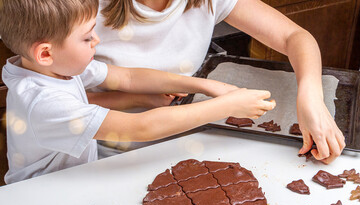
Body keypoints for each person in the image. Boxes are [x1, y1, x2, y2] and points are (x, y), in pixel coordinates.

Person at [0, 0, 275, 184]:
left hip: (78, 179)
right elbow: (142, 126)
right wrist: (227, 106)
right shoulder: (43, 102)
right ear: (45, 52)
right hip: (42, 195)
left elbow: (128, 76)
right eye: (87, 37)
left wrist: (203, 85)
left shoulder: (56, 67)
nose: (97, 40)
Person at [92, 0, 346, 164]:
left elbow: (294, 36)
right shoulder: (81, 8)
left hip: (190, 142)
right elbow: (63, 101)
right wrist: (137, 100)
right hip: (113, 154)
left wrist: (311, 97)